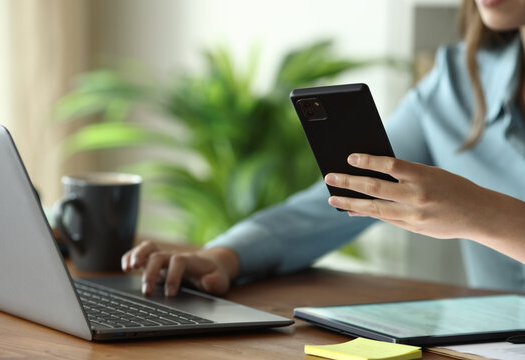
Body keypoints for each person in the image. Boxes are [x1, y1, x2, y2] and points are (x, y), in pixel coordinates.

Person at [122, 0, 525, 297]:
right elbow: (339, 198)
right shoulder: (458, 83)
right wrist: (223, 256)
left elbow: (480, 212)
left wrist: (484, 213)